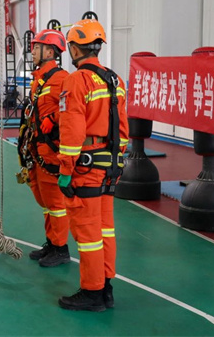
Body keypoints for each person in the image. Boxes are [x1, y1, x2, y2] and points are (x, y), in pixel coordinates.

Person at [56, 19, 129, 312]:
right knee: (105, 229)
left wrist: (65, 171)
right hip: (110, 169)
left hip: (86, 169)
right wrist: (116, 162)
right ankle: (106, 286)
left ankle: (92, 292)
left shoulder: (77, 81)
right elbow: (122, 130)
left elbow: (72, 132)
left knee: (87, 234)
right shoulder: (115, 80)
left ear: (75, 48)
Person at [18, 29, 70, 267]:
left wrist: (54, 119)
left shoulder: (61, 79)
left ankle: (60, 248)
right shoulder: (39, 80)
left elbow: (72, 109)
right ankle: (51, 242)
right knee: (44, 200)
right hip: (36, 149)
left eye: (37, 47)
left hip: (51, 150)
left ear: (50, 52)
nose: (33, 51)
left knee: (56, 204)